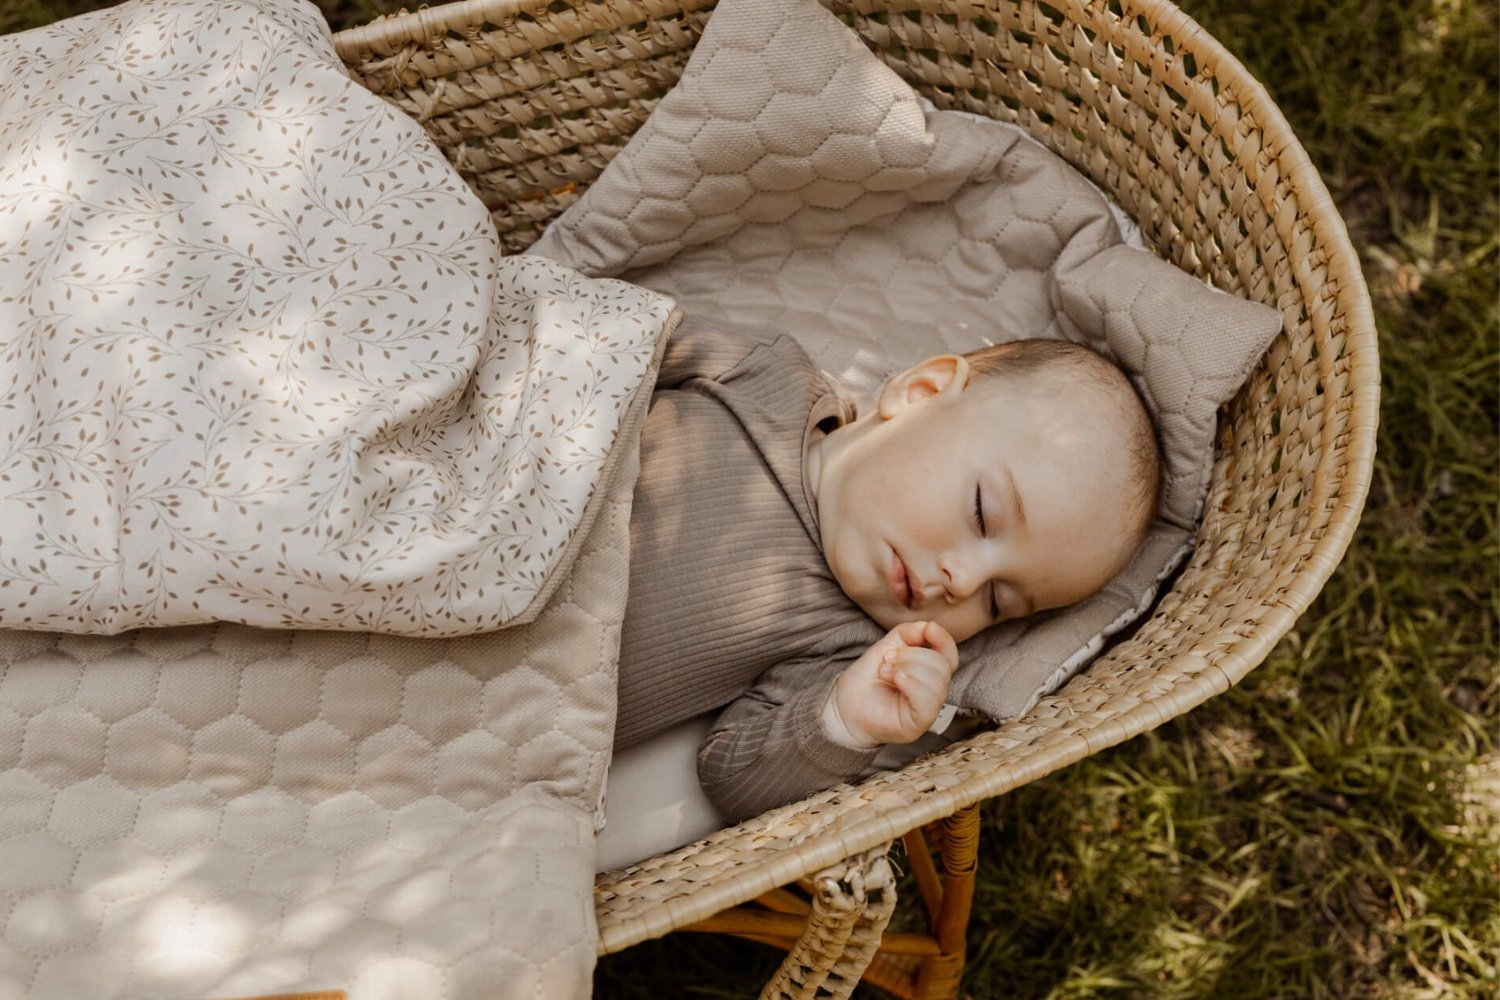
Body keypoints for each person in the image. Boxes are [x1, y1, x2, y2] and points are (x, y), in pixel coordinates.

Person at [614, 317, 1160, 821]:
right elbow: (597, 334)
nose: (962, 581)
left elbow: (731, 779)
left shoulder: (850, 650)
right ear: (920, 394)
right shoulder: (763, 375)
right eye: (981, 514)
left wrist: (846, 721)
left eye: (997, 602)